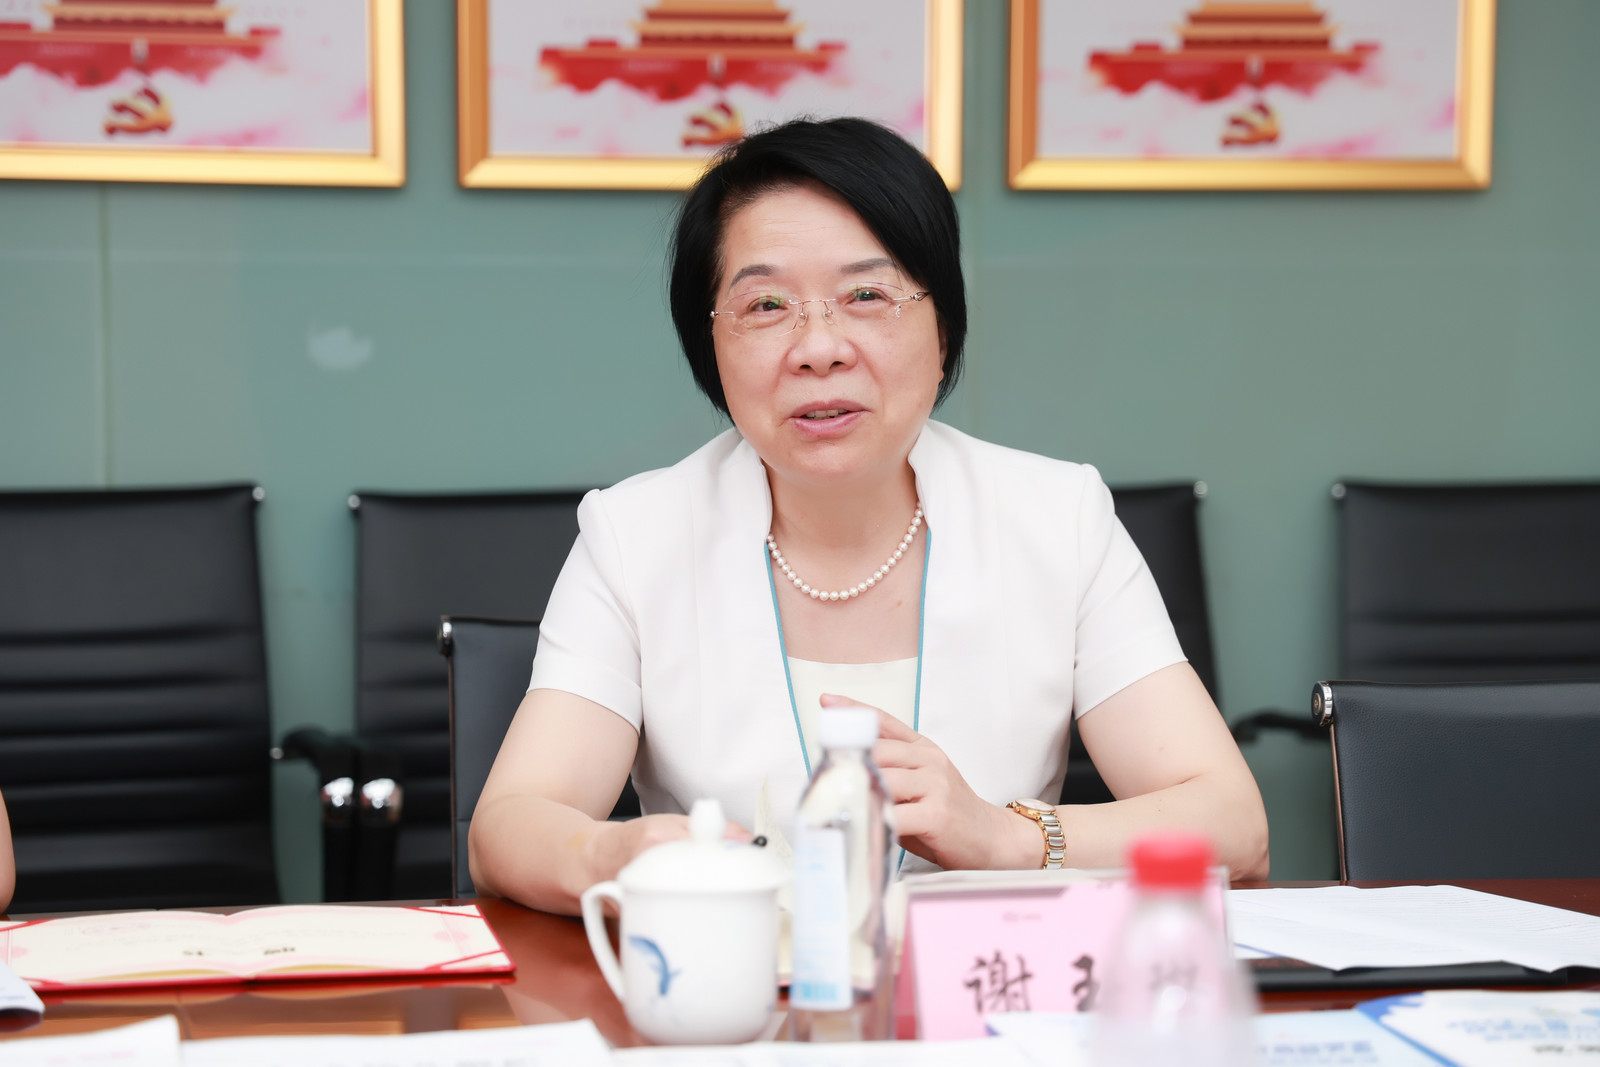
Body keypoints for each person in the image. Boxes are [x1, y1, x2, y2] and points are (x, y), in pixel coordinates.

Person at [471, 118, 1268, 914]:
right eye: (766, 304)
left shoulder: (1059, 519)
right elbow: (506, 826)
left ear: (942, 328)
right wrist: (613, 853)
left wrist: (1006, 835)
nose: (819, 348)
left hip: (982, 983)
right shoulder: (634, 536)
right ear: (710, 344)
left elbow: (1234, 825)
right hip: (730, 982)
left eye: (866, 296)